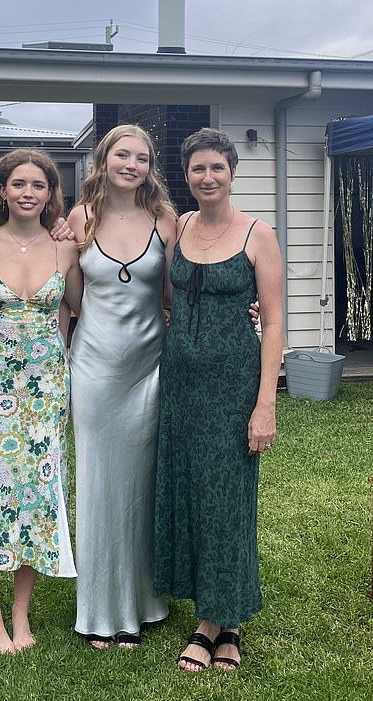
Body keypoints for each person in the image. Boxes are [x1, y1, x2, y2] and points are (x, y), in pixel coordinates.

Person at [153, 127, 283, 672]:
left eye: (217, 168)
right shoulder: (178, 226)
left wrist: (265, 404)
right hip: (180, 388)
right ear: (186, 177)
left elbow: (274, 321)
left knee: (226, 500)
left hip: (233, 389)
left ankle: (218, 626)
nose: (208, 177)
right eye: (197, 169)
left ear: (233, 172)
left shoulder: (258, 234)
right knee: (189, 495)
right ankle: (214, 612)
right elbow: (167, 295)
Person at [0, 149, 83, 654]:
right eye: (19, 184)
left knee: (37, 493)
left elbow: (78, 307)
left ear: (51, 193)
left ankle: (21, 614)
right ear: (1, 190)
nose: (29, 193)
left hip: (46, 388)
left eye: (39, 185)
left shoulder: (65, 250)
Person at [66, 125, 177, 649]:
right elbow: (68, 298)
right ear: (103, 160)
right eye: (121, 154)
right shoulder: (80, 218)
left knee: (140, 487)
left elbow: (183, 292)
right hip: (93, 370)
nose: (130, 164)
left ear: (150, 165)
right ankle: (100, 608)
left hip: (148, 368)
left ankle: (143, 600)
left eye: (141, 157)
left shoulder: (164, 220)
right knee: (99, 484)